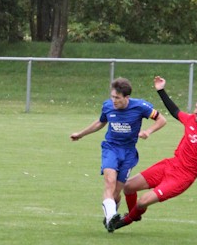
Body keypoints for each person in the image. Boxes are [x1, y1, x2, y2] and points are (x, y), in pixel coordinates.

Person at [109, 76, 197, 232]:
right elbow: (174, 111)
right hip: (170, 164)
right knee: (128, 186)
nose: (195, 111)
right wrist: (161, 90)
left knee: (143, 202)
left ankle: (128, 219)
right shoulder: (190, 120)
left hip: (183, 177)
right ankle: (135, 214)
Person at [70, 77, 167, 232]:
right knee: (109, 181)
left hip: (128, 153)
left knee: (116, 193)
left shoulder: (141, 106)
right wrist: (81, 134)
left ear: (126, 98)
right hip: (111, 149)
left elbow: (162, 120)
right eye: (112, 96)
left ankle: (111, 217)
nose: (114, 100)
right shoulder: (108, 106)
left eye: (117, 98)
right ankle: (111, 217)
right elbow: (100, 122)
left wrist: (148, 131)